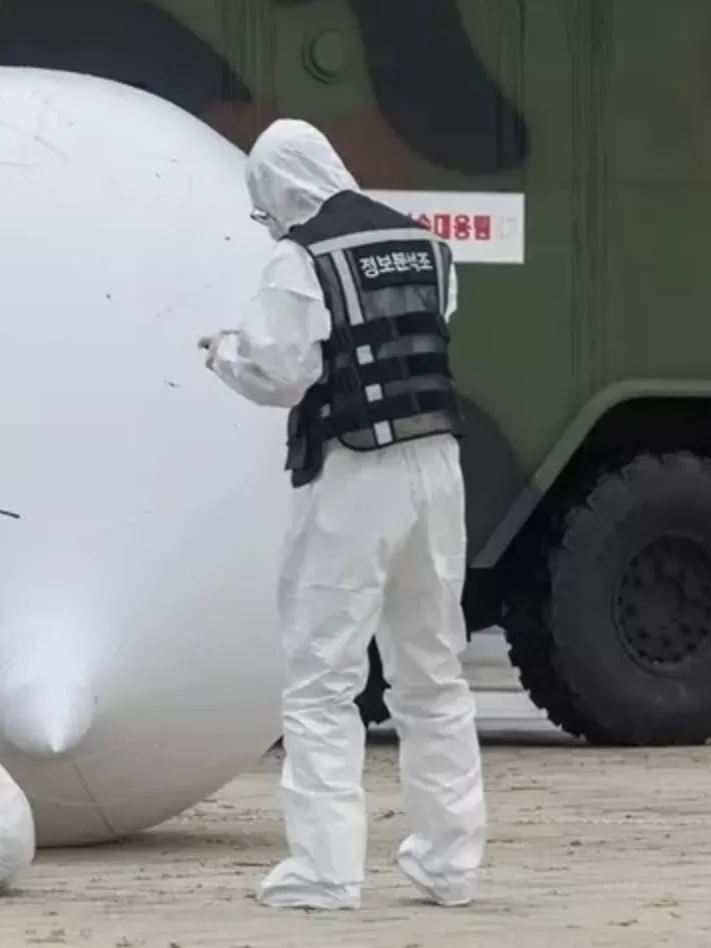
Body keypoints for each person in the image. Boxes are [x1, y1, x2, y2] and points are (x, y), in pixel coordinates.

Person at [199, 119, 486, 910]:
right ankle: (450, 864)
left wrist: (221, 352)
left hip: (355, 473)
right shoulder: (427, 244)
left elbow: (282, 372)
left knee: (322, 679)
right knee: (433, 673)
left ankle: (326, 873)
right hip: (440, 464)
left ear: (278, 190)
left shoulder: (300, 259)